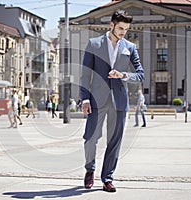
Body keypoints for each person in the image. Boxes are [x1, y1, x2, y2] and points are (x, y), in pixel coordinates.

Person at [80, 10, 144, 192]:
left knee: (114, 141)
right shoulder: (94, 44)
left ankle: (107, 177)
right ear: (112, 25)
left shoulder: (130, 47)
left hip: (119, 101)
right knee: (90, 138)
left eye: (127, 29)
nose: (124, 32)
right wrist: (84, 98)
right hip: (95, 100)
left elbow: (140, 75)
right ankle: (89, 169)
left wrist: (123, 75)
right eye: (121, 28)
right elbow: (85, 75)